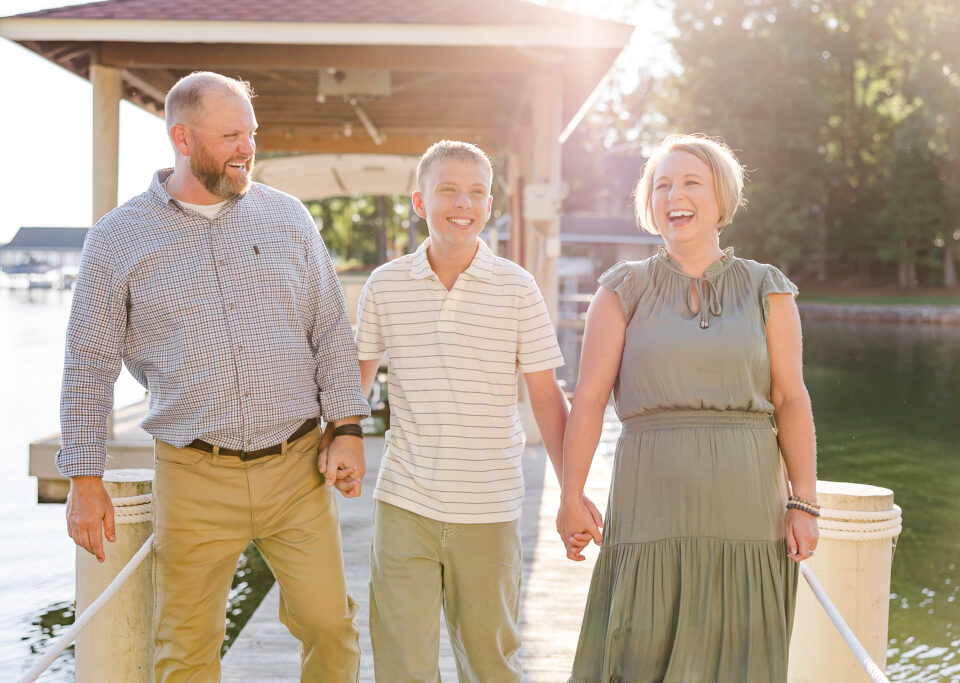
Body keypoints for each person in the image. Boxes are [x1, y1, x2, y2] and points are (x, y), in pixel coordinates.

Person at [59, 71, 370, 682]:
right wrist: (84, 476)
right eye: (230, 136)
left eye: (250, 133)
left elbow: (331, 328)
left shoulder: (288, 218)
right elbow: (88, 364)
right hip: (194, 473)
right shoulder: (117, 238)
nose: (246, 148)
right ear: (182, 137)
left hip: (297, 467)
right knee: (185, 649)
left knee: (330, 624)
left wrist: (350, 426)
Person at [558, 134, 820, 682]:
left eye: (691, 182)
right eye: (661, 185)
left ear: (721, 198)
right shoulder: (620, 290)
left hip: (748, 515)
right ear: (649, 205)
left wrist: (805, 503)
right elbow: (587, 399)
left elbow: (791, 399)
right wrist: (570, 495)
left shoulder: (767, 289)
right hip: (648, 511)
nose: (674, 194)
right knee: (635, 657)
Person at [352, 140, 602, 682]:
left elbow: (546, 399)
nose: (462, 204)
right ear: (419, 203)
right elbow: (357, 385)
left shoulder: (517, 288)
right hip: (404, 503)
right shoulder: (385, 285)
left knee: (491, 665)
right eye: (447, 191)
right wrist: (338, 440)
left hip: (489, 508)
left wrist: (571, 494)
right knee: (401, 667)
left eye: (476, 193)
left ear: (490, 205)